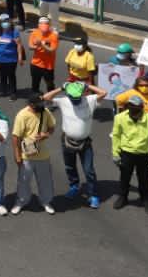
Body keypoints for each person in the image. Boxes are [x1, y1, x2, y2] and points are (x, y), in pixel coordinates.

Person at [42, 80, 106, 208]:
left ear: (82, 94)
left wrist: (86, 85)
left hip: (85, 142)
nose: (74, 99)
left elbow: (104, 92)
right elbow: (45, 98)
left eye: (77, 96)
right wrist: (61, 87)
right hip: (67, 140)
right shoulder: (63, 101)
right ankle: (74, 186)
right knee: (69, 166)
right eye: (72, 96)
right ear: (68, 95)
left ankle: (93, 194)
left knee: (89, 170)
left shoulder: (90, 100)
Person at [111, 94, 148, 214]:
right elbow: (116, 136)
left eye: (136, 108)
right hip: (126, 153)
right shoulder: (119, 118)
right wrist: (115, 153)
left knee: (143, 179)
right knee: (124, 177)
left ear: (142, 107)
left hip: (144, 154)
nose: (133, 110)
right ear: (128, 107)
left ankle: (145, 199)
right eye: (131, 107)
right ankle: (123, 197)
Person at [11, 96, 57, 215]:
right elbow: (16, 137)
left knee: (45, 181)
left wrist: (46, 135)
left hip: (43, 155)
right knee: (24, 181)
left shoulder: (45, 112)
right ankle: (21, 202)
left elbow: (52, 127)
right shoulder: (22, 115)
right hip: (27, 154)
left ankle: (45, 202)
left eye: (41, 103)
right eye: (38, 104)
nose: (41, 106)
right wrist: (17, 155)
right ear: (31, 104)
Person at [0, 15, 25, 100]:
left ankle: (13, 92)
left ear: (9, 21)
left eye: (6, 21)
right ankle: (4, 91)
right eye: (3, 21)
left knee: (11, 75)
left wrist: (20, 57)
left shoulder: (14, 31)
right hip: (0, 58)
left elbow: (19, 45)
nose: (5, 23)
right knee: (2, 75)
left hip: (11, 59)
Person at [28, 17, 59, 93]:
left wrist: (41, 44)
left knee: (50, 84)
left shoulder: (53, 36)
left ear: (49, 25)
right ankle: (35, 100)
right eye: (42, 24)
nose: (44, 26)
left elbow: (51, 50)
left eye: (46, 24)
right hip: (35, 64)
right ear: (38, 25)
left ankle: (51, 99)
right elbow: (30, 47)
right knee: (35, 83)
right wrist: (38, 45)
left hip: (48, 66)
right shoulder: (34, 33)